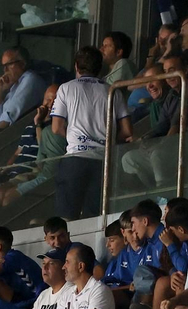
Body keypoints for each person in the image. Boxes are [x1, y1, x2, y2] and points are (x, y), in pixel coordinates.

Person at [52, 46, 131, 219]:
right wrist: (106, 142)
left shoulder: (66, 88)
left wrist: (78, 139)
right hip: (104, 161)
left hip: (75, 158)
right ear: (99, 66)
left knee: (66, 218)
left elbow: (56, 127)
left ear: (76, 66)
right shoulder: (113, 90)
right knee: (95, 219)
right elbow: (126, 130)